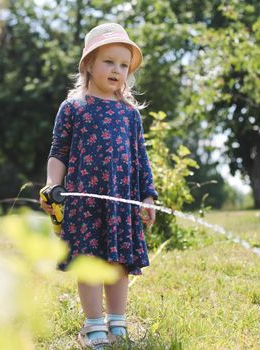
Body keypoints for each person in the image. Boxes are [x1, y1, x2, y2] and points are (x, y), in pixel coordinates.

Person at [40, 22, 157, 349]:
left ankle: (117, 323)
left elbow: (140, 158)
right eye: (109, 62)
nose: (117, 70)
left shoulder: (129, 114)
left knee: (118, 263)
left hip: (122, 201)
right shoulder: (73, 108)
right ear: (88, 64)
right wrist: (52, 184)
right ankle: (93, 325)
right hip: (83, 202)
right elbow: (58, 151)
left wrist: (148, 195)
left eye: (124, 65)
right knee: (90, 261)